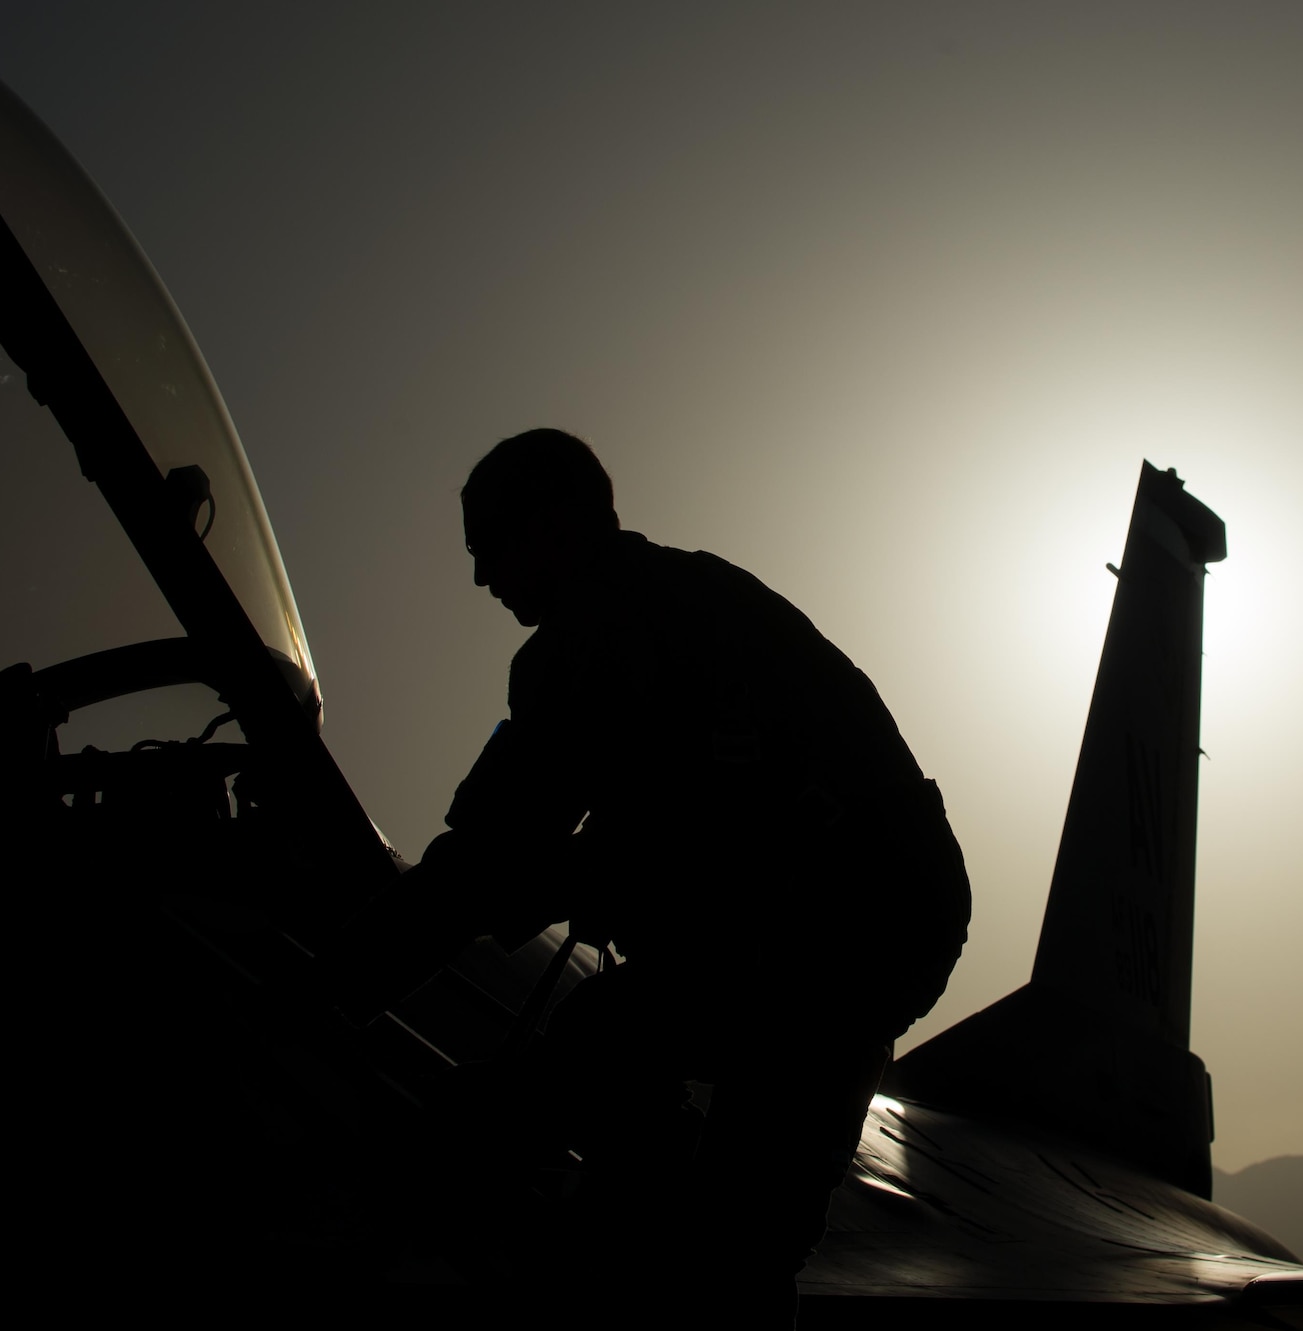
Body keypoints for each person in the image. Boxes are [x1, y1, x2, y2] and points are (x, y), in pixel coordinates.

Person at [333, 428, 970, 1323]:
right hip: (872, 924)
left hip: (823, 938)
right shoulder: (689, 598)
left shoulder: (599, 635)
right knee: (637, 1096)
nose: (482, 579)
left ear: (554, 529)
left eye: (489, 548)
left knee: (719, 1243)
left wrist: (337, 983)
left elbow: (487, 857)